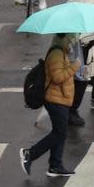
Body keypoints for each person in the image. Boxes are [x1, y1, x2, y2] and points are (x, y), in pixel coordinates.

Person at [19, 34, 80, 177]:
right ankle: (30, 153)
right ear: (63, 39)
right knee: (60, 133)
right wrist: (74, 67)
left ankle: (55, 165)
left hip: (61, 99)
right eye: (70, 39)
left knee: (61, 133)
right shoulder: (56, 54)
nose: (72, 43)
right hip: (55, 100)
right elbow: (58, 78)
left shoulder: (61, 52)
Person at [66, 0, 94, 126]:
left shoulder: (82, 17)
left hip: (80, 53)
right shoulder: (71, 20)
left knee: (81, 80)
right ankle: (71, 110)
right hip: (72, 54)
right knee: (79, 80)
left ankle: (72, 110)